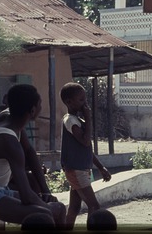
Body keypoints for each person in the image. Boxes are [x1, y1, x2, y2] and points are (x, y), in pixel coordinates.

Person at [0, 84, 66, 226]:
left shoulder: (7, 117)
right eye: (40, 104)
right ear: (33, 110)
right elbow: (26, 196)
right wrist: (45, 205)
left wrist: (45, 191)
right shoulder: (9, 142)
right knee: (44, 215)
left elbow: (29, 151)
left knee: (59, 208)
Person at [60, 82, 112, 229]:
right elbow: (85, 142)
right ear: (69, 102)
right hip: (76, 170)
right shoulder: (70, 120)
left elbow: (87, 149)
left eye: (85, 100)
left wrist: (101, 167)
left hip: (80, 169)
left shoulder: (77, 120)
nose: (85, 104)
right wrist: (89, 119)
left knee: (74, 208)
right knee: (94, 206)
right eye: (81, 100)